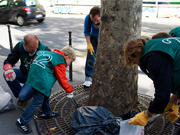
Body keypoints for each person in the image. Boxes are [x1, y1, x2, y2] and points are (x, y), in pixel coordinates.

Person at [15, 46, 76, 133]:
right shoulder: (60, 60)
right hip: (41, 79)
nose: (69, 64)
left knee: (45, 93)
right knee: (37, 101)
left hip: (33, 76)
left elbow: (36, 58)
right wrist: (69, 90)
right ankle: (22, 121)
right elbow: (62, 78)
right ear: (67, 57)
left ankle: (46, 112)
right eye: (71, 61)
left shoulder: (49, 53)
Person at [123, 33, 180, 126]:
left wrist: (147, 114)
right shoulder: (161, 46)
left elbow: (162, 92)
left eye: (135, 62)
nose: (138, 65)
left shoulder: (154, 56)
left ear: (136, 54)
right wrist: (172, 103)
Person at [3, 34, 51, 106]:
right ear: (24, 45)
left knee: (23, 95)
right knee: (6, 74)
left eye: (36, 48)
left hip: (34, 79)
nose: (34, 50)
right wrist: (8, 68)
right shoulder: (20, 46)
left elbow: (51, 68)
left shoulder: (44, 49)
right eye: (32, 48)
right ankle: (22, 95)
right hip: (24, 73)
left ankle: (24, 95)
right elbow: (9, 61)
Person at [83, 6, 100, 87]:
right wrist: (89, 44)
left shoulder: (106, 18)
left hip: (104, 39)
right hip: (93, 38)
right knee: (91, 57)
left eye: (97, 21)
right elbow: (86, 31)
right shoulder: (88, 18)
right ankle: (88, 78)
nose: (95, 23)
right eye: (94, 21)